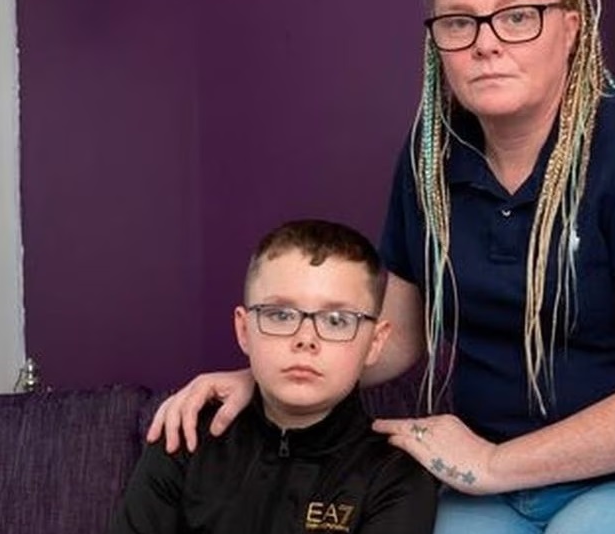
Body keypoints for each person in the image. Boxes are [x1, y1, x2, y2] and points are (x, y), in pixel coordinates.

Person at [145, 0, 615, 532]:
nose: (486, 43)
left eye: (518, 16)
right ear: (438, 43)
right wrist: (265, 377)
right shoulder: (430, 159)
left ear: (570, 28)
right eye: (459, 22)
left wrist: (493, 463)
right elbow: (394, 339)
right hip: (499, 483)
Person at [110, 219, 438, 534]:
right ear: (244, 330)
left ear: (375, 343)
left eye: (337, 320)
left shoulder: (395, 474)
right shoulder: (186, 436)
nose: (306, 339)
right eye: (280, 315)